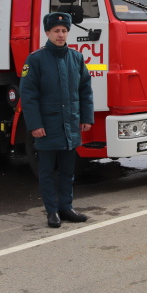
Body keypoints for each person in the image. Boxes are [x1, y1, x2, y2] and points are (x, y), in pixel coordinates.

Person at [20, 12, 94, 228]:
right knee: (47, 172)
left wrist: (86, 117)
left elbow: (85, 90)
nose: (61, 35)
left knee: (68, 171)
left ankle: (66, 208)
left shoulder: (76, 57)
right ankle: (52, 211)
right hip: (47, 126)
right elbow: (29, 96)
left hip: (70, 124)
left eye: (64, 31)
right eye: (56, 31)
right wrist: (35, 125)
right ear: (47, 33)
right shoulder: (35, 60)